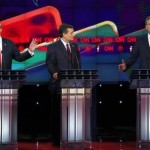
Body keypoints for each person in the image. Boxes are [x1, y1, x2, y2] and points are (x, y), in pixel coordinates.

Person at [46, 23, 81, 146]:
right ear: (64, 34)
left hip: (73, 85)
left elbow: (78, 63)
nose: (73, 34)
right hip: (58, 85)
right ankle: (57, 140)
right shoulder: (53, 46)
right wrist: (54, 73)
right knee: (57, 114)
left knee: (72, 113)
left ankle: (71, 138)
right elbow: (50, 63)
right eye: (71, 32)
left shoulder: (74, 46)